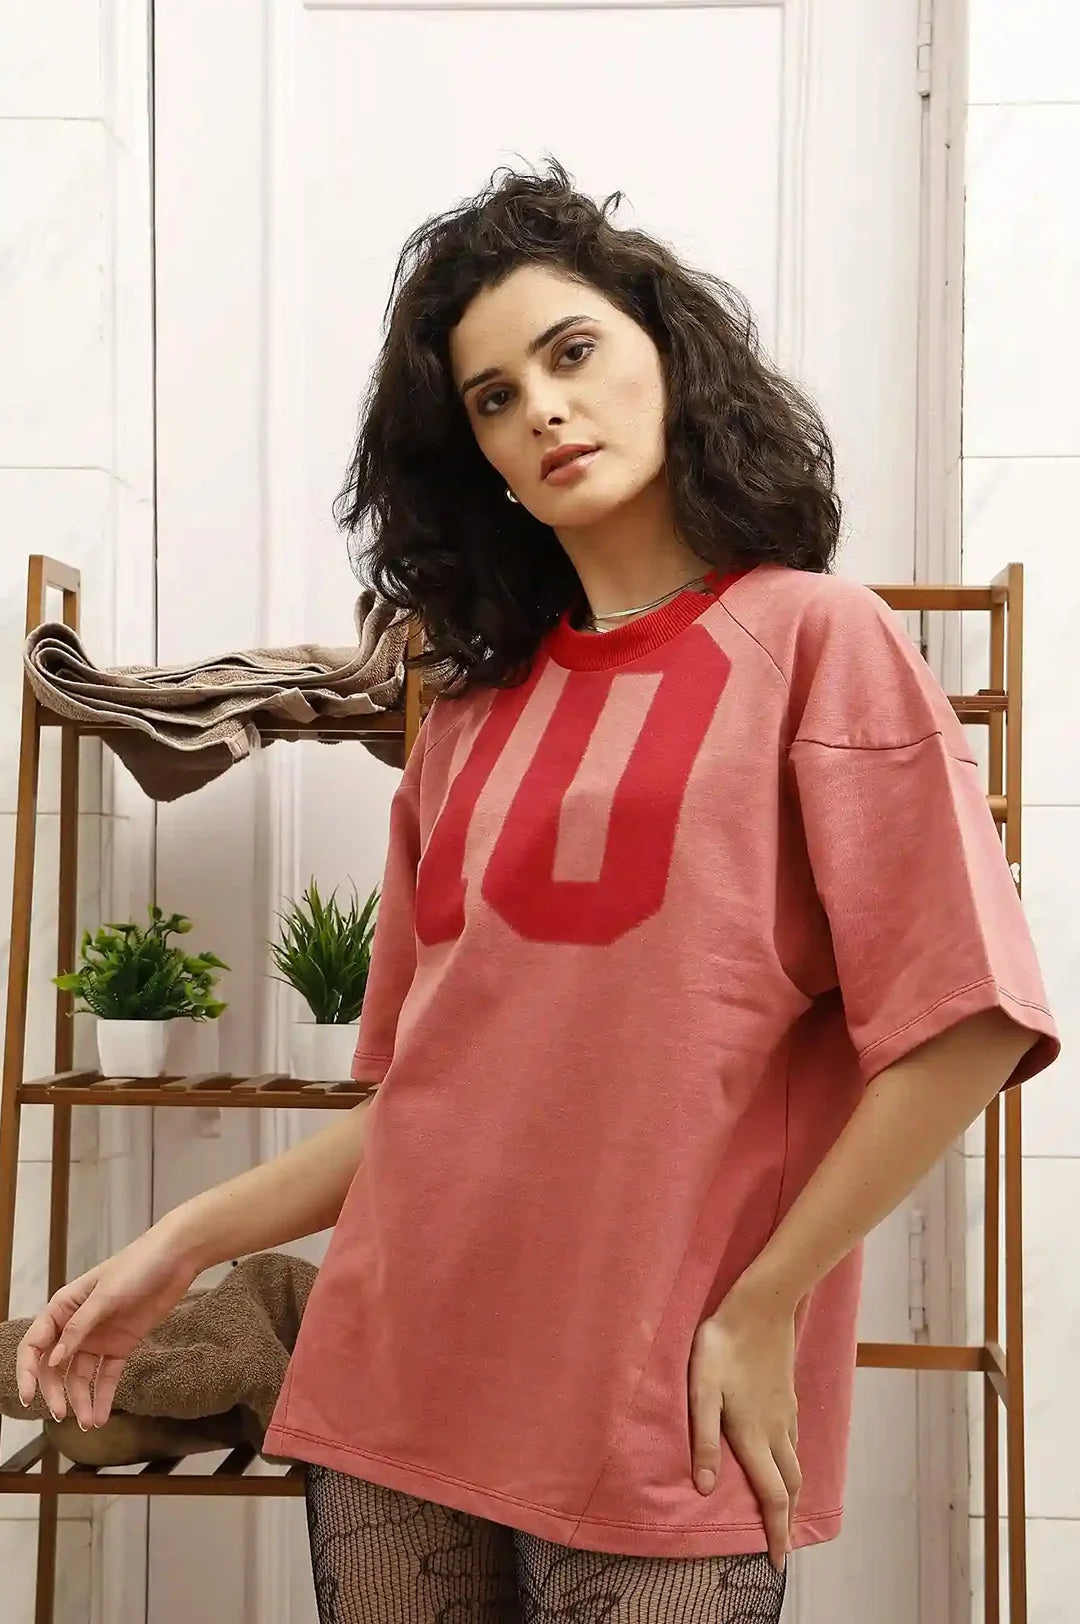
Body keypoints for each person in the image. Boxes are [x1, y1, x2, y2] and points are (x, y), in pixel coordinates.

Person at [17, 162, 1059, 1624]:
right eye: (496, 398)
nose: (545, 411)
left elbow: (967, 1020)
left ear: (670, 357)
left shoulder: (822, 643)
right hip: (403, 1364)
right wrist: (178, 1240)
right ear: (479, 458)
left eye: (572, 354)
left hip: (658, 1380)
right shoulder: (467, 716)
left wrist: (767, 1303)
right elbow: (424, 1105)